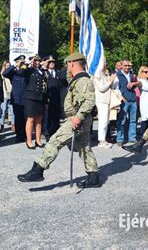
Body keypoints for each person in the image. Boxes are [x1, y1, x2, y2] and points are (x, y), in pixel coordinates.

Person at [17, 52, 101, 188]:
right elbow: (68, 79)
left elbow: (89, 101)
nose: (67, 67)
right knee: (84, 148)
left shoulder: (84, 81)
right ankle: (93, 176)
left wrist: (78, 118)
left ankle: (38, 169)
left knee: (55, 141)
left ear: (72, 63)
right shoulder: (78, 79)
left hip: (77, 120)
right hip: (81, 119)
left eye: (68, 64)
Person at [16, 55, 47, 149]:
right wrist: (27, 64)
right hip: (30, 98)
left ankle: (38, 140)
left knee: (39, 120)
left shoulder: (42, 71)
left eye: (38, 61)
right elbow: (20, 72)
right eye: (35, 61)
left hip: (40, 98)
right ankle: (29, 141)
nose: (36, 62)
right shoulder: (28, 70)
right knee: (30, 119)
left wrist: (46, 100)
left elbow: (45, 86)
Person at [2, 55, 27, 143]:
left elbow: (25, 70)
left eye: (22, 62)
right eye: (20, 61)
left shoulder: (25, 70)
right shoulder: (13, 72)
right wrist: (14, 65)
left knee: (25, 117)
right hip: (16, 98)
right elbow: (4, 73)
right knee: (17, 117)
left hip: (25, 97)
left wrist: (24, 65)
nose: (21, 63)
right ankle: (19, 135)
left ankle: (25, 135)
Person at [115, 59, 140, 145]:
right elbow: (115, 88)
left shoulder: (132, 74)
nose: (127, 67)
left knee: (133, 120)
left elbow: (140, 84)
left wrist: (134, 83)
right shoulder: (117, 75)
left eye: (128, 65)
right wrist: (121, 97)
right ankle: (120, 139)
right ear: (121, 66)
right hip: (124, 100)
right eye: (125, 65)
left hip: (133, 99)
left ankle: (132, 137)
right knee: (121, 121)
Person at [93, 63, 117, 148]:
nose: (106, 67)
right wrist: (110, 80)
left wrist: (111, 80)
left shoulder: (105, 75)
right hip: (101, 100)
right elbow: (102, 88)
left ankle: (103, 139)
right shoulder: (97, 76)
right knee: (102, 121)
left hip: (107, 100)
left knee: (106, 121)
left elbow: (111, 86)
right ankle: (101, 140)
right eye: (105, 65)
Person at [42, 56, 61, 137]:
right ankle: (47, 132)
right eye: (50, 62)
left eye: (53, 62)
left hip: (57, 97)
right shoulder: (44, 73)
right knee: (47, 116)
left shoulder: (58, 72)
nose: (52, 63)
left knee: (56, 116)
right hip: (48, 97)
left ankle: (56, 130)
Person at [0, 61, 14, 133]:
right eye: (7, 65)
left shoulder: (12, 73)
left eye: (9, 65)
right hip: (5, 93)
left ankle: (13, 125)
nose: (8, 67)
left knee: (12, 111)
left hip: (12, 93)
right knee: (3, 110)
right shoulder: (2, 73)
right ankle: (2, 125)